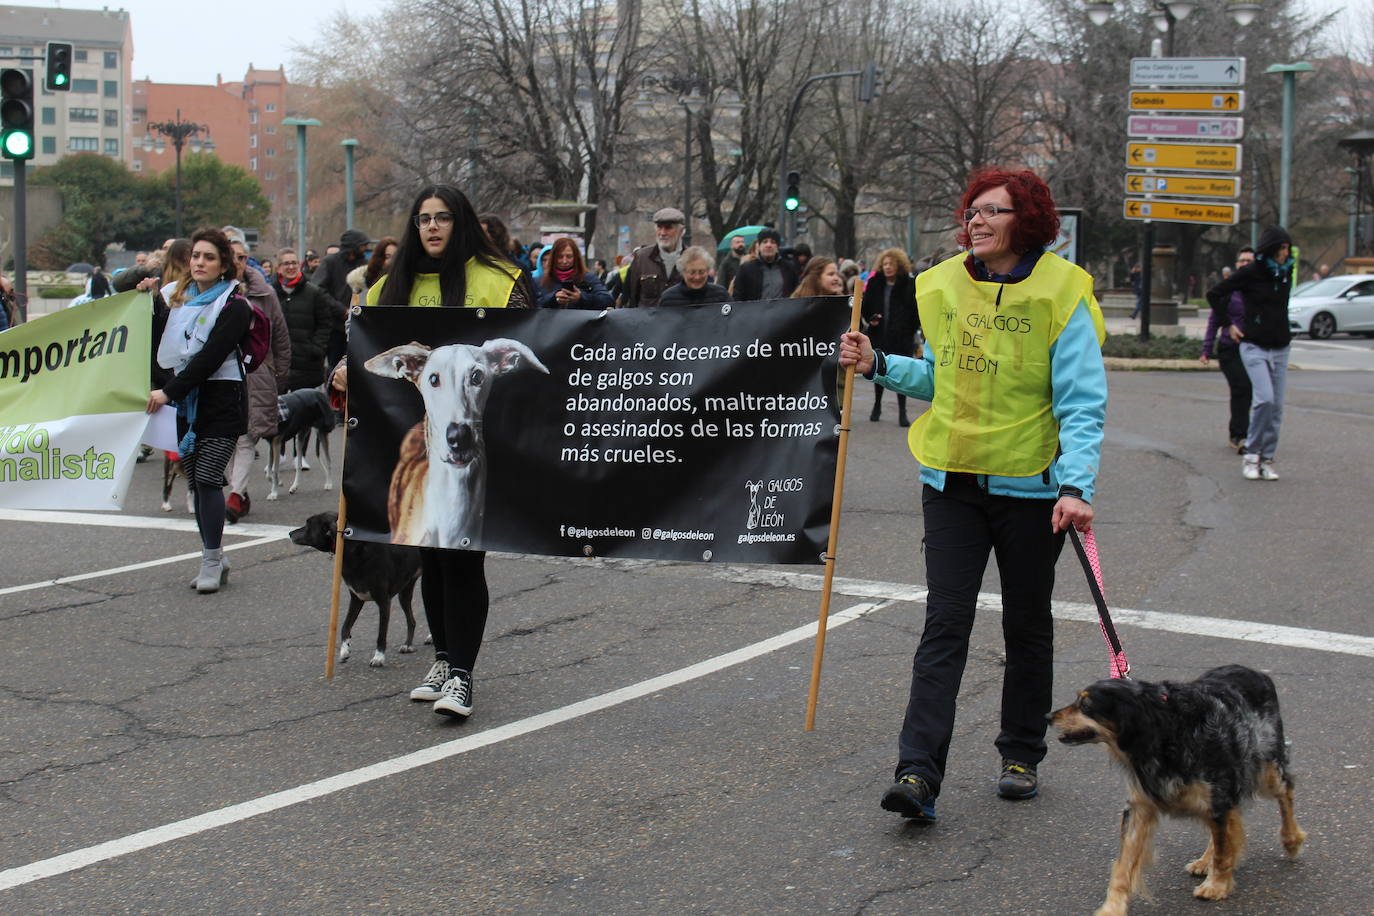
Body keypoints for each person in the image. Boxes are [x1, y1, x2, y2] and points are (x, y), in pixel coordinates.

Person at [838, 167, 1106, 822]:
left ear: (1029, 220)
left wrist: (1076, 484)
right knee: (945, 623)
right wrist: (879, 364)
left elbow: (1082, 403)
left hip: (1031, 489)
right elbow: (943, 381)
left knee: (1026, 623)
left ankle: (1021, 752)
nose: (976, 221)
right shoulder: (943, 285)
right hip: (951, 483)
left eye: (992, 211)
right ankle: (917, 772)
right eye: (971, 211)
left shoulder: (1063, 292)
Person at [361, 184, 530, 718]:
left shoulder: (500, 281)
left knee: (462, 559)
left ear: (462, 223)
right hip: (414, 450)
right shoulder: (388, 287)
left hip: (479, 445)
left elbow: (536, 334)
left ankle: (462, 675)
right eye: (423, 219)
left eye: (443, 218)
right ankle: (443, 657)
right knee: (429, 556)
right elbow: (362, 348)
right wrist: (341, 369)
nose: (432, 227)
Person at [145, 228, 254, 593]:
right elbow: (156, 342)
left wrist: (168, 391)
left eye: (209, 257)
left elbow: (209, 358)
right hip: (183, 403)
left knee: (208, 477)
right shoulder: (171, 297)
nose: (200, 263)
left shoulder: (235, 305)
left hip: (221, 400)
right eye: (195, 256)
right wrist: (144, 299)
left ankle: (209, 558)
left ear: (224, 265)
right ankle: (216, 554)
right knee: (195, 480)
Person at [1205, 226, 1294, 481]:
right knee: (1264, 398)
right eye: (1282, 248)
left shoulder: (1286, 272)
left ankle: (1267, 458)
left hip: (1281, 346)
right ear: (1271, 249)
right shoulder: (1251, 272)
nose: (1285, 253)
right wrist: (1229, 324)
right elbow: (1214, 294)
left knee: (1276, 407)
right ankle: (1251, 454)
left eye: (1288, 248)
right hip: (1253, 344)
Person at [223, 239, 292, 524]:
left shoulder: (264, 293)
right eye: (230, 256)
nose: (236, 262)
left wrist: (281, 372)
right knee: (223, 438)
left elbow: (279, 334)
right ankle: (238, 490)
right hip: (220, 374)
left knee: (246, 436)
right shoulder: (211, 291)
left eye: (241, 257)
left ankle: (236, 496)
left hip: (256, 373)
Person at [1199, 247, 1255, 452]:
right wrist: (1206, 349)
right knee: (1241, 387)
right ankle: (1238, 435)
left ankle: (1249, 433)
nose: (1244, 263)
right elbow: (1214, 320)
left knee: (1249, 391)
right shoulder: (1228, 290)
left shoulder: (1258, 290)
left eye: (1249, 260)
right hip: (1229, 349)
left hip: (1253, 348)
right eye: (1241, 260)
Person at [862, 248, 920, 427]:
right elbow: (865, 307)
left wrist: (909, 329)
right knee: (878, 369)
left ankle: (902, 411)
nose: (887, 267)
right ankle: (877, 405)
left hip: (902, 337)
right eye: (885, 264)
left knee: (901, 373)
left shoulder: (909, 284)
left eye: (891, 264)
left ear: (899, 265)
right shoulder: (874, 283)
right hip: (879, 335)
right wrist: (872, 319)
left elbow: (916, 311)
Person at [273, 248, 335, 392]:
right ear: (278, 268)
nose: (291, 267)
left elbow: (325, 324)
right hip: (279, 366)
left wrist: (316, 349)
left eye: (294, 263)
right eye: (286, 263)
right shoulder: (271, 294)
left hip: (308, 366)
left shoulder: (314, 293)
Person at [313, 229, 373, 368]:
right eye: (362, 245)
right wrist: (341, 310)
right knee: (334, 366)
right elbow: (318, 289)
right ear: (353, 247)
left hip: (356, 325)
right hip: (333, 326)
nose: (365, 249)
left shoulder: (364, 264)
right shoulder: (330, 262)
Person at [623, 207, 686, 308]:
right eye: (659, 227)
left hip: (681, 322)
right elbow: (632, 297)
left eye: (668, 228)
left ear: (681, 231)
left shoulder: (692, 259)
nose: (662, 233)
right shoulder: (641, 257)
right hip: (647, 322)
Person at [536, 237, 614, 309]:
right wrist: (553, 298)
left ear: (576, 257)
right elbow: (534, 305)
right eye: (560, 257)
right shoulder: (541, 281)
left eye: (569, 256)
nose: (564, 261)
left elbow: (608, 300)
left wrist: (581, 298)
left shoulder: (588, 278)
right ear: (553, 258)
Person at [731, 228, 799, 301]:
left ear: (777, 247)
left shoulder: (789, 268)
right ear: (759, 246)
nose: (768, 245)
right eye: (765, 242)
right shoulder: (746, 269)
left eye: (773, 242)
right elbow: (738, 298)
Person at [659, 247, 730, 306]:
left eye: (701, 272)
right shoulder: (668, 299)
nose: (697, 277)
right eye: (692, 272)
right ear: (683, 272)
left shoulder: (721, 295)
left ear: (708, 271)